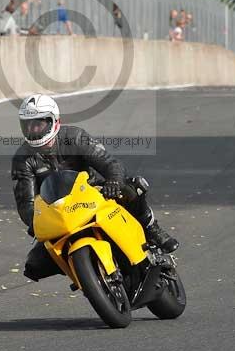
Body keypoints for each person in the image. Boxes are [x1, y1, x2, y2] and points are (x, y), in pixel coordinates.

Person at [11, 94, 179, 282]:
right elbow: (25, 203)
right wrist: (35, 223)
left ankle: (151, 228)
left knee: (132, 187)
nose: (33, 130)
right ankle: (85, 275)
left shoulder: (74, 137)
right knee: (34, 265)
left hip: (94, 193)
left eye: (38, 124)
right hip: (59, 212)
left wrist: (113, 182)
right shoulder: (22, 159)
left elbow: (110, 163)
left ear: (54, 122)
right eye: (28, 125)